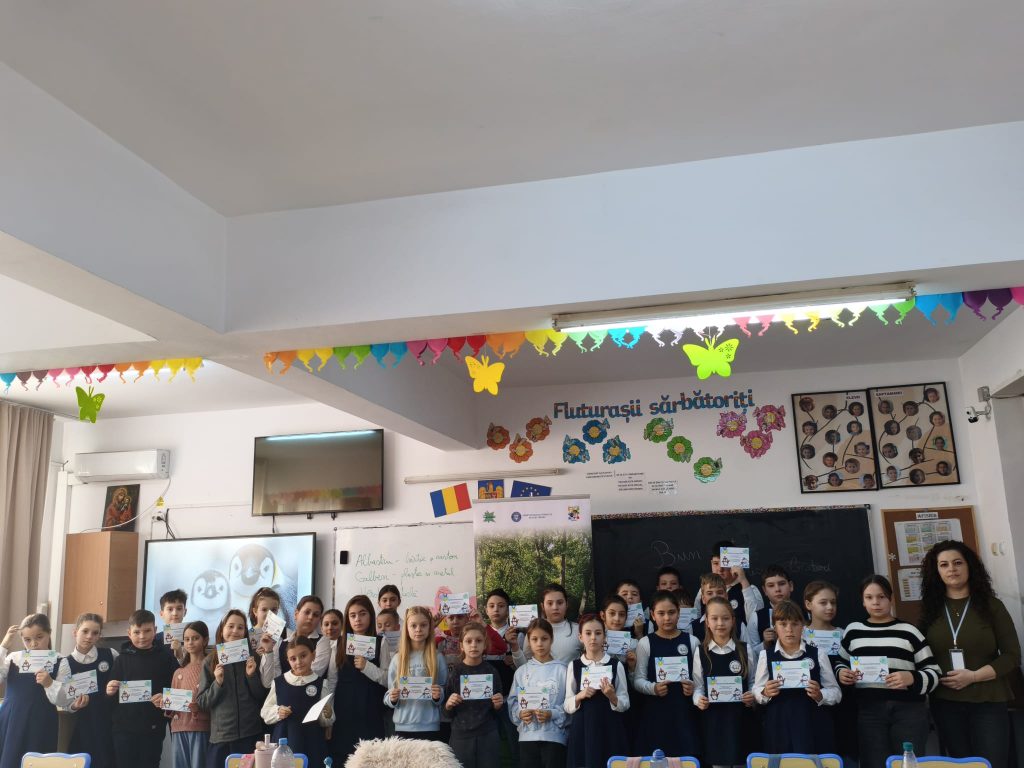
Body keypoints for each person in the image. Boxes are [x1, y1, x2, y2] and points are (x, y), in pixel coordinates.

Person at [919, 542, 1021, 768]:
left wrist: (973, 676)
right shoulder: (931, 609)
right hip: (946, 702)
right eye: (944, 565)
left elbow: (1012, 656)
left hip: (988, 699)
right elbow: (922, 656)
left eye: (958, 563)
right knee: (960, 764)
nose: (951, 569)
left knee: (992, 763)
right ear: (936, 571)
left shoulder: (992, 606)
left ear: (969, 567)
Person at [836, 575, 940, 768]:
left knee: (908, 763)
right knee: (873, 763)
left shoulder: (909, 631)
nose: (875, 602)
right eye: (869, 597)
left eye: (881, 596)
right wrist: (842, 673)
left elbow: (934, 672)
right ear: (862, 601)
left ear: (891, 599)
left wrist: (912, 677)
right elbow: (839, 663)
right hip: (869, 711)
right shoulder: (853, 631)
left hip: (908, 711)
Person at [753, 600, 839, 753]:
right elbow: (756, 690)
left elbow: (836, 692)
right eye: (783, 624)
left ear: (803, 626)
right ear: (775, 627)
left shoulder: (818, 654)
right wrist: (765, 692)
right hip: (778, 726)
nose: (789, 629)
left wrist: (820, 695)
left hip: (811, 725)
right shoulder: (766, 655)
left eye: (795, 624)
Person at [106, 609, 181, 768]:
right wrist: (109, 690)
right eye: (137, 632)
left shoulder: (165, 658)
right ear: (129, 633)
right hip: (124, 729)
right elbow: (111, 696)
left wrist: (165, 697)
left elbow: (175, 690)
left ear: (155, 630)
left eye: (147, 631)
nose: (142, 636)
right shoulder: (121, 659)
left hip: (153, 728)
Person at [631, 590, 699, 758]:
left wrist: (693, 687)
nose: (667, 618)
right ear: (653, 615)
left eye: (671, 612)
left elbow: (700, 681)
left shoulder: (692, 641)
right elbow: (638, 680)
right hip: (655, 715)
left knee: (686, 759)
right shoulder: (645, 643)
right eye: (661, 613)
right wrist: (653, 688)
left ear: (678, 613)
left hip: (685, 714)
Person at [692, 597, 757, 768]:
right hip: (714, 721)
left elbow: (753, 682)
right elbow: (698, 687)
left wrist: (751, 695)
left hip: (740, 720)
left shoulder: (745, 649)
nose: (720, 623)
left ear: (733, 621)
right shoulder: (701, 652)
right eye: (714, 618)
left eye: (725, 618)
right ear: (707, 622)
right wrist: (699, 700)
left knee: (742, 761)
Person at [196, 609, 266, 768]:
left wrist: (251, 676)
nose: (235, 631)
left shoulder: (253, 658)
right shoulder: (210, 661)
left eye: (240, 627)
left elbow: (261, 696)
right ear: (222, 630)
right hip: (222, 737)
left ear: (245, 632)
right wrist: (217, 683)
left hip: (250, 734)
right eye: (231, 626)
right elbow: (202, 702)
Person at [48, 612, 117, 766]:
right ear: (75, 632)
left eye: (95, 633)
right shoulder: (65, 664)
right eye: (85, 631)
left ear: (99, 635)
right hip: (85, 725)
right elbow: (64, 702)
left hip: (111, 723)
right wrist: (74, 705)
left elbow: (123, 678)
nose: (89, 636)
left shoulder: (110, 655)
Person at [563, 614, 629, 768]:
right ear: (580, 637)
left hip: (610, 728)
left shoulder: (616, 665)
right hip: (583, 729)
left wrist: (612, 696)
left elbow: (625, 703)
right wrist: (579, 696)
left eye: (598, 633)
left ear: (604, 637)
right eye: (588, 633)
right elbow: (567, 704)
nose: (593, 637)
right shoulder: (574, 666)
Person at [330, 595, 390, 762]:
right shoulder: (339, 643)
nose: (357, 619)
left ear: (370, 615)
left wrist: (367, 667)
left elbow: (388, 679)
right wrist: (330, 715)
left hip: (371, 711)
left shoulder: (381, 642)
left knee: (371, 759)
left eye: (362, 614)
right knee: (344, 757)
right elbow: (332, 680)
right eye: (353, 615)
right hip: (344, 712)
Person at [0, 614, 63, 768]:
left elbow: (64, 699)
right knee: (9, 760)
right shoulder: (13, 658)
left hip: (41, 721)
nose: (33, 644)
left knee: (37, 761)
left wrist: (49, 683)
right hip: (12, 720)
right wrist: (3, 646)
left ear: (49, 633)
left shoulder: (60, 660)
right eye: (27, 640)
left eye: (39, 637)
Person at [261, 636, 334, 768]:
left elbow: (326, 721)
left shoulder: (321, 683)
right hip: (284, 742)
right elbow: (265, 712)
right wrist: (278, 711)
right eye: (293, 659)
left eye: (303, 656)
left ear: (313, 655)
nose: (298, 662)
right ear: (288, 661)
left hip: (312, 743)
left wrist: (328, 715)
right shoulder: (279, 682)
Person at [508, 618, 569, 768]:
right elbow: (513, 702)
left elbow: (570, 703)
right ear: (529, 641)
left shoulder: (563, 670)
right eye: (534, 639)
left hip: (555, 738)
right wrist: (520, 713)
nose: (540, 643)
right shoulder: (522, 672)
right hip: (527, 738)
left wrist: (552, 714)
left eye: (544, 638)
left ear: (551, 639)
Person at [443, 621, 504, 767]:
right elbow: (446, 713)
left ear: (485, 644)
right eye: (468, 641)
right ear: (461, 646)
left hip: (487, 735)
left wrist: (498, 705)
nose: (474, 645)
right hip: (461, 736)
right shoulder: (455, 673)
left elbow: (498, 711)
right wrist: (449, 704)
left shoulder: (492, 671)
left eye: (478, 641)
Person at [385, 606, 448, 740]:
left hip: (430, 726)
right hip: (402, 726)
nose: (418, 629)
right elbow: (388, 694)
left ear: (430, 627)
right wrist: (392, 698)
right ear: (406, 628)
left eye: (423, 625)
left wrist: (439, 695)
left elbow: (444, 690)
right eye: (413, 625)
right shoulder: (397, 659)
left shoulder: (438, 657)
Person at [481, 588, 524, 764]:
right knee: (489, 746)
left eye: (501, 606)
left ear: (508, 609)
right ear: (486, 610)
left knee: (514, 743)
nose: (496, 609)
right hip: (485, 698)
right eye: (491, 606)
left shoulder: (518, 634)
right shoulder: (479, 633)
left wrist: (513, 658)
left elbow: (524, 667)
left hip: (509, 698)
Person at [164, 621, 211, 768]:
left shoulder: (211, 667)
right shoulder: (179, 672)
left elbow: (214, 698)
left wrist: (199, 707)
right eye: (187, 639)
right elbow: (171, 708)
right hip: (178, 728)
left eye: (195, 638)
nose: (190, 642)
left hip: (200, 728)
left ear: (205, 640)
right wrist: (164, 703)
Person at [259, 594, 331, 686]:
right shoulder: (281, 643)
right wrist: (269, 651)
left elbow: (311, 676)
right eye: (307, 612)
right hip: (283, 694)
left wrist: (283, 685)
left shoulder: (322, 641)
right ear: (296, 614)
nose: (310, 617)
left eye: (316, 615)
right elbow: (269, 683)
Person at [525, 584, 582, 664]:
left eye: (560, 603)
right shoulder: (534, 630)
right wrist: (515, 649)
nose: (555, 607)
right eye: (550, 603)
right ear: (542, 606)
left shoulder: (578, 630)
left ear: (566, 604)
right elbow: (525, 664)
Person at [751, 565, 794, 653]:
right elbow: (750, 653)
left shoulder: (806, 614)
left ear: (790, 586)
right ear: (765, 590)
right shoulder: (756, 617)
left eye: (782, 584)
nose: (777, 589)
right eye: (771, 585)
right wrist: (765, 644)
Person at [157, 588, 189, 663]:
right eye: (170, 609)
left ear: (185, 612)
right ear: (161, 614)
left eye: (179, 609)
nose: (175, 613)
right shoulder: (155, 640)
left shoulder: (191, 639)